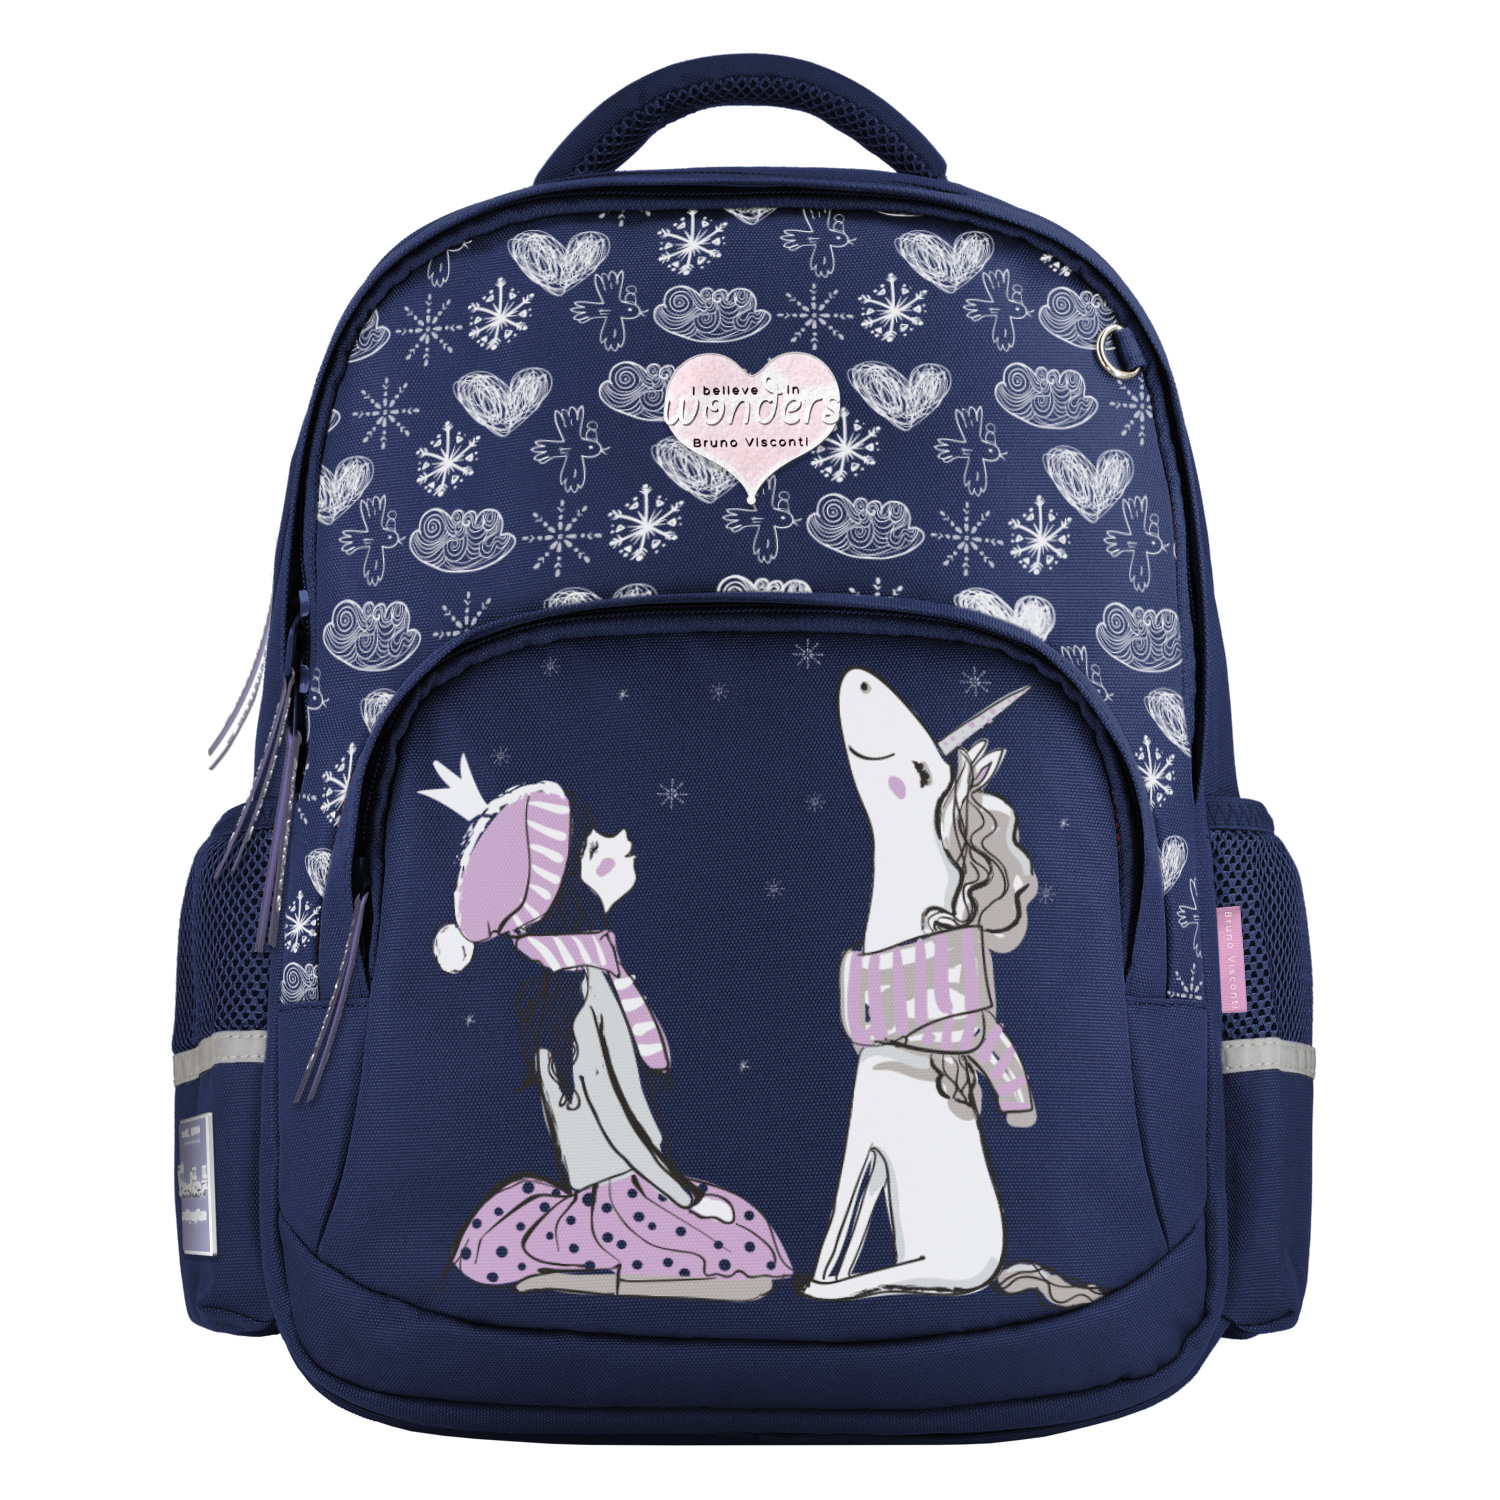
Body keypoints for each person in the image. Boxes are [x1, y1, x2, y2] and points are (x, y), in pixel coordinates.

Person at [421, 758, 792, 1299]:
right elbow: (617, 1123)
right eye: (595, 847)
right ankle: (587, 1281)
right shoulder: (589, 987)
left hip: (613, 1190)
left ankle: (577, 1278)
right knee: (749, 1266)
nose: (621, 839)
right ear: (568, 890)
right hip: (626, 1196)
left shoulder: (560, 989)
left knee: (746, 1257)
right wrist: (685, 1197)